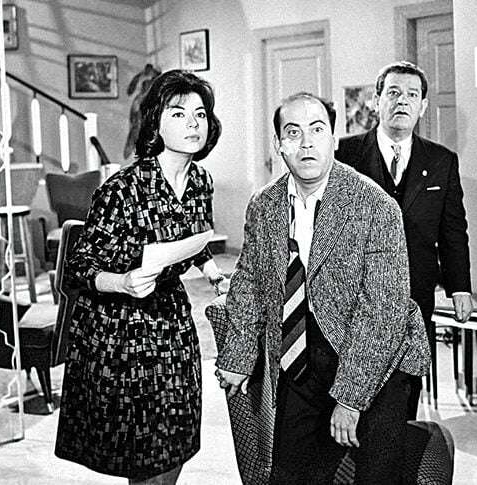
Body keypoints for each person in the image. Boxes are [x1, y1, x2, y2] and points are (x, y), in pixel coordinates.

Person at [215, 92, 430, 484]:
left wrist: (350, 398)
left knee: (377, 477)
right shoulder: (264, 205)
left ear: (333, 138)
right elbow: (248, 281)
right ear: (279, 144)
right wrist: (238, 355)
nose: (306, 143)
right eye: (293, 133)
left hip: (377, 356)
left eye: (317, 130)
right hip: (300, 353)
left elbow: (383, 313)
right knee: (287, 477)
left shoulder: (375, 205)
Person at [55, 70, 225, 484]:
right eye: (178, 113)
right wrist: (123, 281)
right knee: (144, 451)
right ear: (155, 123)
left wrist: (211, 271)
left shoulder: (200, 180)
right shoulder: (123, 189)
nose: (193, 124)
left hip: (172, 320)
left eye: (200, 114)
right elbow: (78, 267)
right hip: (122, 328)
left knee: (177, 436)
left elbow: (192, 237)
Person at [335, 61, 473, 418]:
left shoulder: (442, 161)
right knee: (354, 377)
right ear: (376, 101)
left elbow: (453, 230)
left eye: (412, 95)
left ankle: (399, 442)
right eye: (393, 93)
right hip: (355, 290)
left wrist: (460, 287)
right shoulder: (344, 155)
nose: (402, 101)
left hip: (415, 290)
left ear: (422, 106)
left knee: (406, 381)